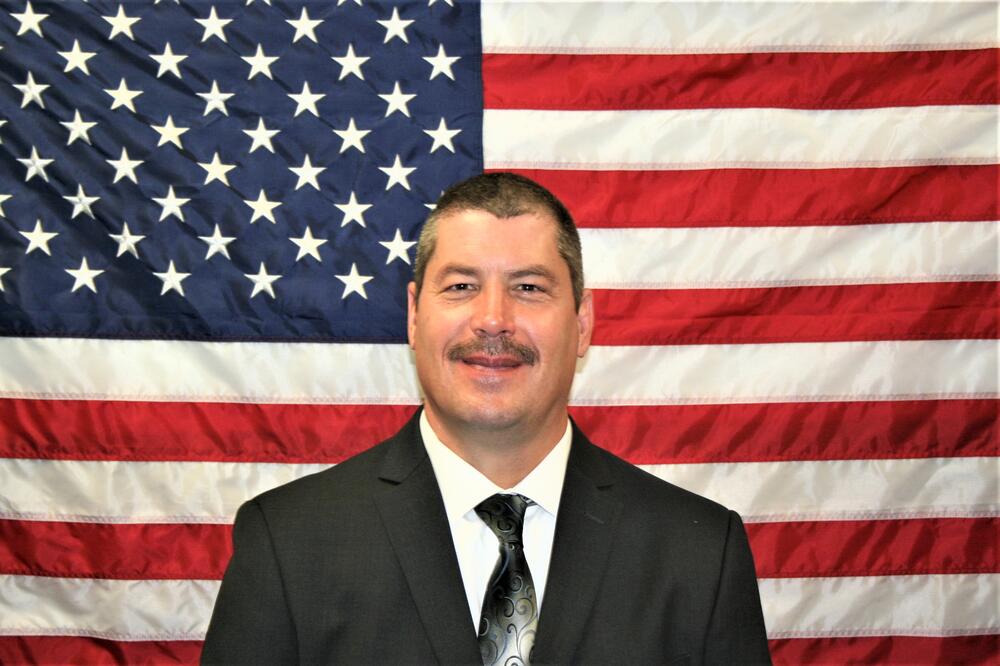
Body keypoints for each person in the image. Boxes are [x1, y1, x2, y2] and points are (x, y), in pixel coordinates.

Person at [202, 173, 771, 665]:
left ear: (583, 323)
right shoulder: (289, 543)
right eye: (461, 287)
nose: (493, 319)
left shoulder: (699, 553)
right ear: (414, 316)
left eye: (528, 287)